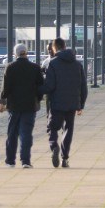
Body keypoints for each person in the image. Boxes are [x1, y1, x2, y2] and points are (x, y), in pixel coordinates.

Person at [41, 37, 87, 168]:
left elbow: (49, 86)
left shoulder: (53, 63)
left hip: (56, 103)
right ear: (65, 47)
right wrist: (81, 105)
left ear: (54, 48)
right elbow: (83, 87)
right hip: (72, 104)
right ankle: (65, 158)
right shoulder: (77, 64)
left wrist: (37, 90)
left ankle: (54, 146)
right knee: (68, 130)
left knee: (52, 128)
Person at [0, 44, 46, 168]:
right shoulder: (35, 68)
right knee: (26, 133)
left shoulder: (10, 67)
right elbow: (41, 87)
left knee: (12, 133)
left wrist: (2, 102)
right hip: (30, 105)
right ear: (26, 53)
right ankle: (25, 161)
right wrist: (37, 99)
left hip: (14, 105)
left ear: (16, 54)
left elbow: (5, 88)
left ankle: (10, 161)